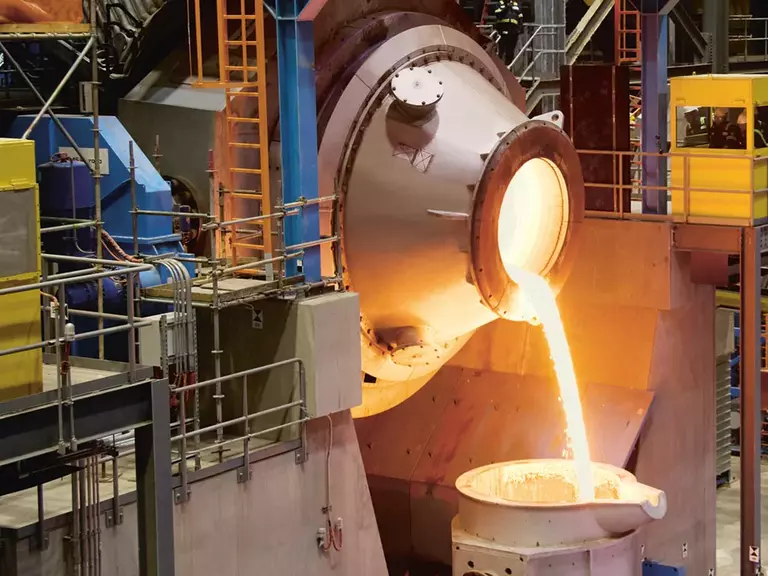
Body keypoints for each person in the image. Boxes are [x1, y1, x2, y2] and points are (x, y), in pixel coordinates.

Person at [494, 0, 523, 66]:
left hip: (513, 32)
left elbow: (520, 17)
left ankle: (508, 69)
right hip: (502, 31)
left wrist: (519, 29)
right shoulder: (499, 4)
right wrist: (506, 7)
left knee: (510, 52)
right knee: (500, 52)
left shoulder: (516, 4)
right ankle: (499, 69)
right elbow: (498, 14)